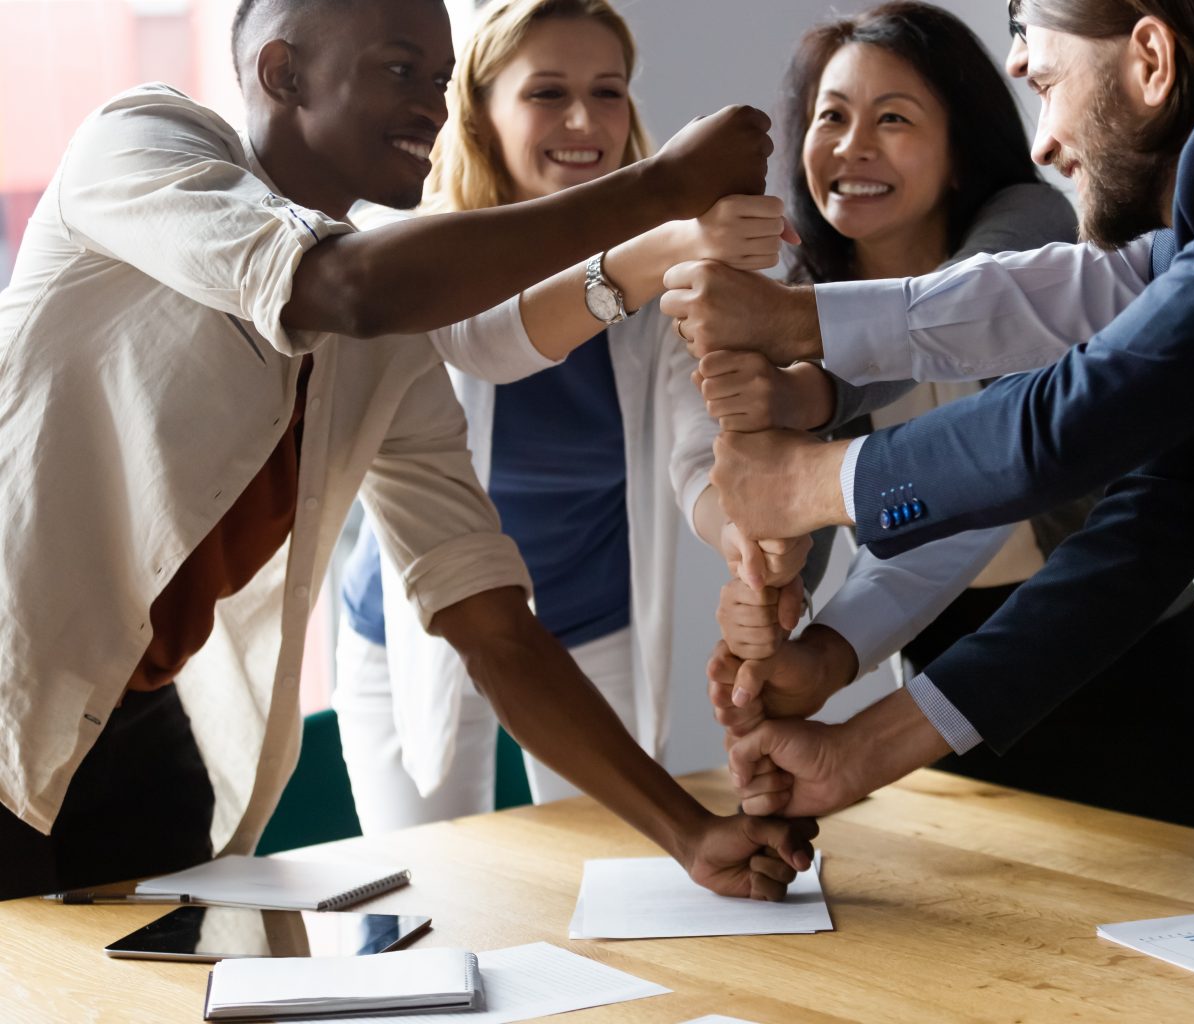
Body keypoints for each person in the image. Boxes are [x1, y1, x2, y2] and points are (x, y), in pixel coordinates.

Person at [670, 0, 1194, 896]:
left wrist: (813, 479)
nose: (1042, 142)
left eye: (1046, 84)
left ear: (1152, 61)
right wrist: (860, 751)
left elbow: (1081, 409)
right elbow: (1143, 525)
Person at [0, 0, 815, 902]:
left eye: (437, 78)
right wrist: (662, 192)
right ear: (282, 74)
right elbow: (347, 285)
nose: (431, 103)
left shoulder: (387, 340)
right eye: (400, 70)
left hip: (133, 712)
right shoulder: (142, 142)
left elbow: (492, 621)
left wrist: (692, 833)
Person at [696, 1, 1194, 832]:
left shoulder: (1030, 232)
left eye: (894, 118)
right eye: (831, 116)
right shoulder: (799, 292)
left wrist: (816, 388)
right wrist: (772, 622)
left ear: (958, 153)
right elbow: (790, 519)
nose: (852, 145)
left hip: (1111, 650)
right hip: (946, 655)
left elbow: (990, 469)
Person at [332, 0, 803, 829]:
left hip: (592, 616)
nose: (584, 120)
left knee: (614, 873)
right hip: (421, 621)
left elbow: (699, 453)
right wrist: (666, 244)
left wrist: (743, 531)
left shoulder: (673, 277)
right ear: (478, 111)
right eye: (547, 92)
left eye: (608, 91)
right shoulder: (419, 245)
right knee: (424, 891)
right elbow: (485, 340)